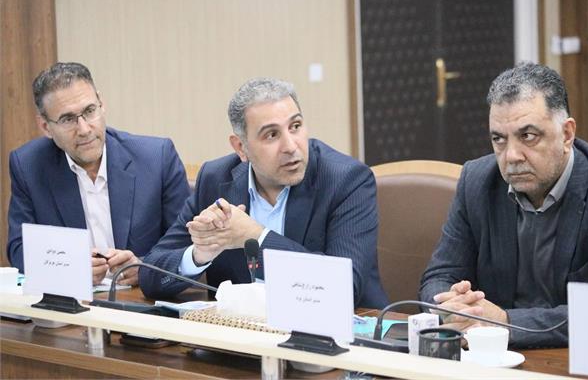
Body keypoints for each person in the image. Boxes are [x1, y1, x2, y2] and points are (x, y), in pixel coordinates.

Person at [139, 77, 388, 308]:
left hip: (336, 334)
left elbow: (344, 288)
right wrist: (200, 253)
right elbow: (149, 275)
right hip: (241, 335)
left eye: (295, 126)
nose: (290, 146)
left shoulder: (346, 180)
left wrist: (255, 237)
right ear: (241, 147)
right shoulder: (216, 179)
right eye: (272, 135)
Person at [420, 62, 588, 348]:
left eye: (528, 136)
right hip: (488, 356)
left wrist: (505, 322)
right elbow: (439, 277)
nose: (512, 155)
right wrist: (454, 307)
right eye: (499, 139)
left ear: (566, 134)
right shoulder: (477, 182)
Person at [7, 62, 190, 286]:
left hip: (144, 298)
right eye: (67, 119)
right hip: (76, 301)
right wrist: (71, 267)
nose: (84, 129)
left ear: (101, 105)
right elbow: (19, 249)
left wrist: (144, 268)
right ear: (46, 127)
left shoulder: (157, 158)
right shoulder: (29, 166)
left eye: (89, 111)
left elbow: (186, 244)